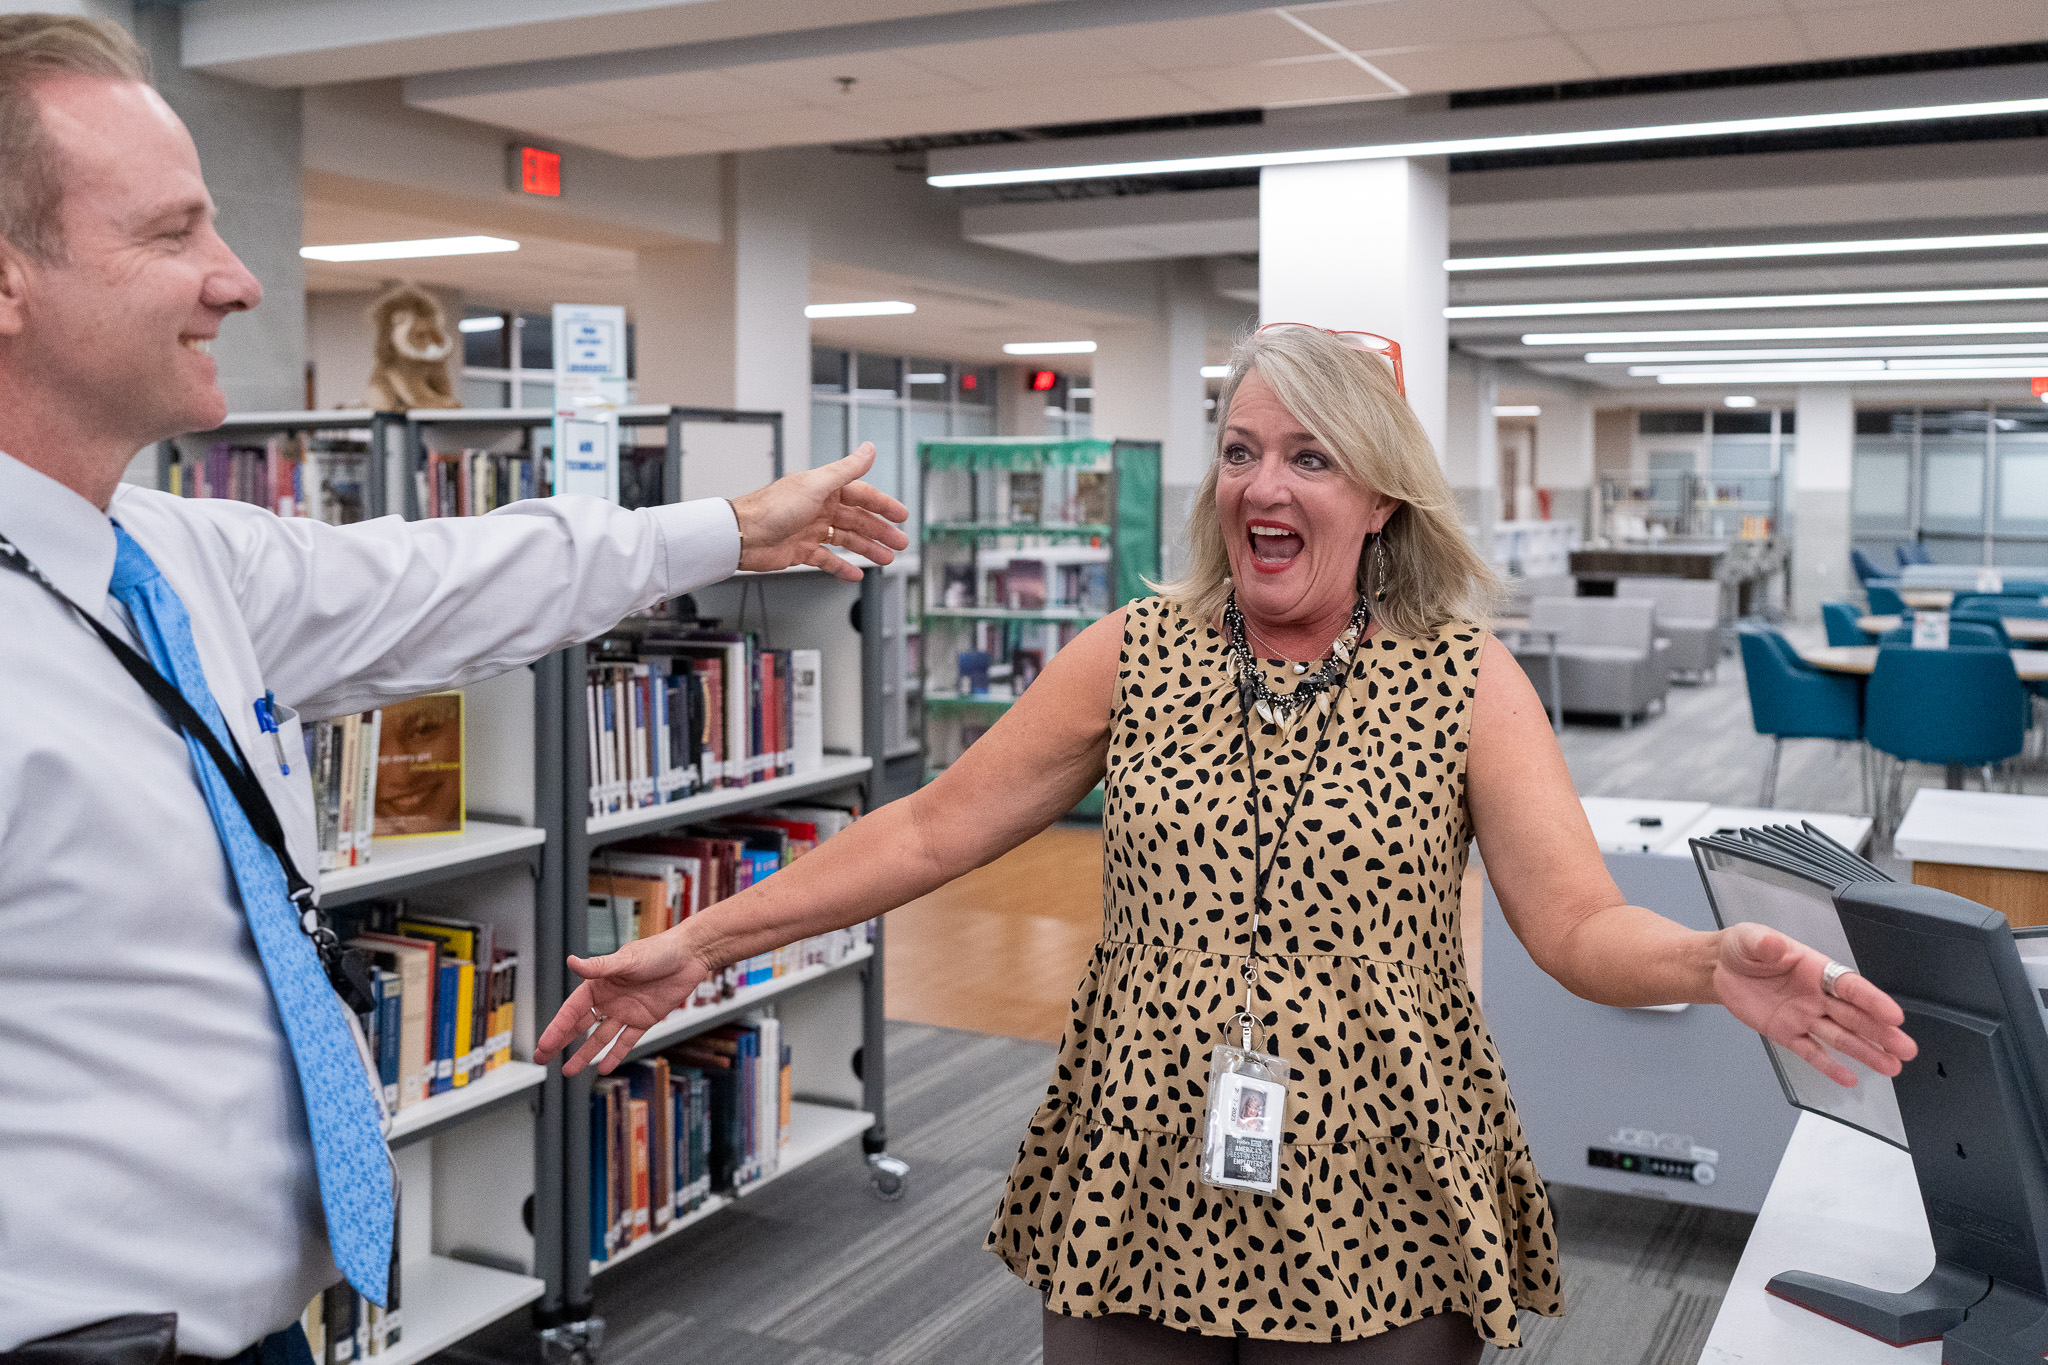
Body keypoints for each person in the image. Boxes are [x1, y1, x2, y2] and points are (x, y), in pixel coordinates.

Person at [537, 323, 1918, 1363]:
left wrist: (1701, 961)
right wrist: (700, 944)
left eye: (1310, 456)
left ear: (1380, 498)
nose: (1266, 483)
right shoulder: (1129, 657)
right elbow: (928, 828)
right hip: (1137, 1159)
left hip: (1380, 1175)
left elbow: (1572, 923)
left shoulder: (1464, 678)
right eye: (1243, 450)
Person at [0, 15, 908, 1361]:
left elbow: (440, 577)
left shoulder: (174, 559)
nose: (238, 280)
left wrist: (728, 529)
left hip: (261, 1331)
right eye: (172, 232)